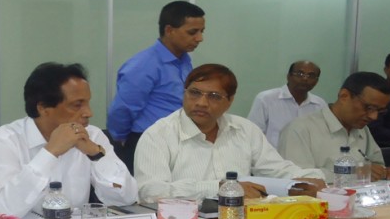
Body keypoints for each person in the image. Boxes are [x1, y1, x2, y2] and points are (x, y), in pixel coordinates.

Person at [134, 64, 325, 203]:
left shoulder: (245, 129)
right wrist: (220, 188)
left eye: (214, 96)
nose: (201, 103)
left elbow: (277, 169)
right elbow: (150, 191)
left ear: (230, 101)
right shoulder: (158, 135)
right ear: (184, 93)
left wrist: (310, 179)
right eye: (194, 93)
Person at [0, 62, 137, 218]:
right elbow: (4, 212)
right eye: (77, 105)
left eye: (88, 103)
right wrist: (50, 153)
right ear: (43, 108)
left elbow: (126, 198)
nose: (89, 113)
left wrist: (95, 154)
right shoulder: (3, 140)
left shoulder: (91, 135)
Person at [106, 0, 205, 173]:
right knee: (149, 189)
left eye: (202, 31)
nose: (199, 38)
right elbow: (123, 109)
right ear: (169, 30)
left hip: (179, 140)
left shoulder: (183, 60)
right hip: (146, 141)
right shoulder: (143, 65)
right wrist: (120, 141)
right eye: (192, 32)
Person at [278, 72, 390, 182]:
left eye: (380, 111)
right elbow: (295, 178)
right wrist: (352, 173)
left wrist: (387, 172)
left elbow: (375, 165)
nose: (374, 117)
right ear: (344, 96)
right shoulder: (300, 129)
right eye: (369, 108)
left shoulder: (362, 129)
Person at [247, 60, 328, 148]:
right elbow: (253, 135)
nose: (305, 79)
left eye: (311, 75)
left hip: (308, 156)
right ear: (289, 76)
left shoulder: (320, 105)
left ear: (316, 81)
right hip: (273, 156)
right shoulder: (266, 99)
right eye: (300, 74)